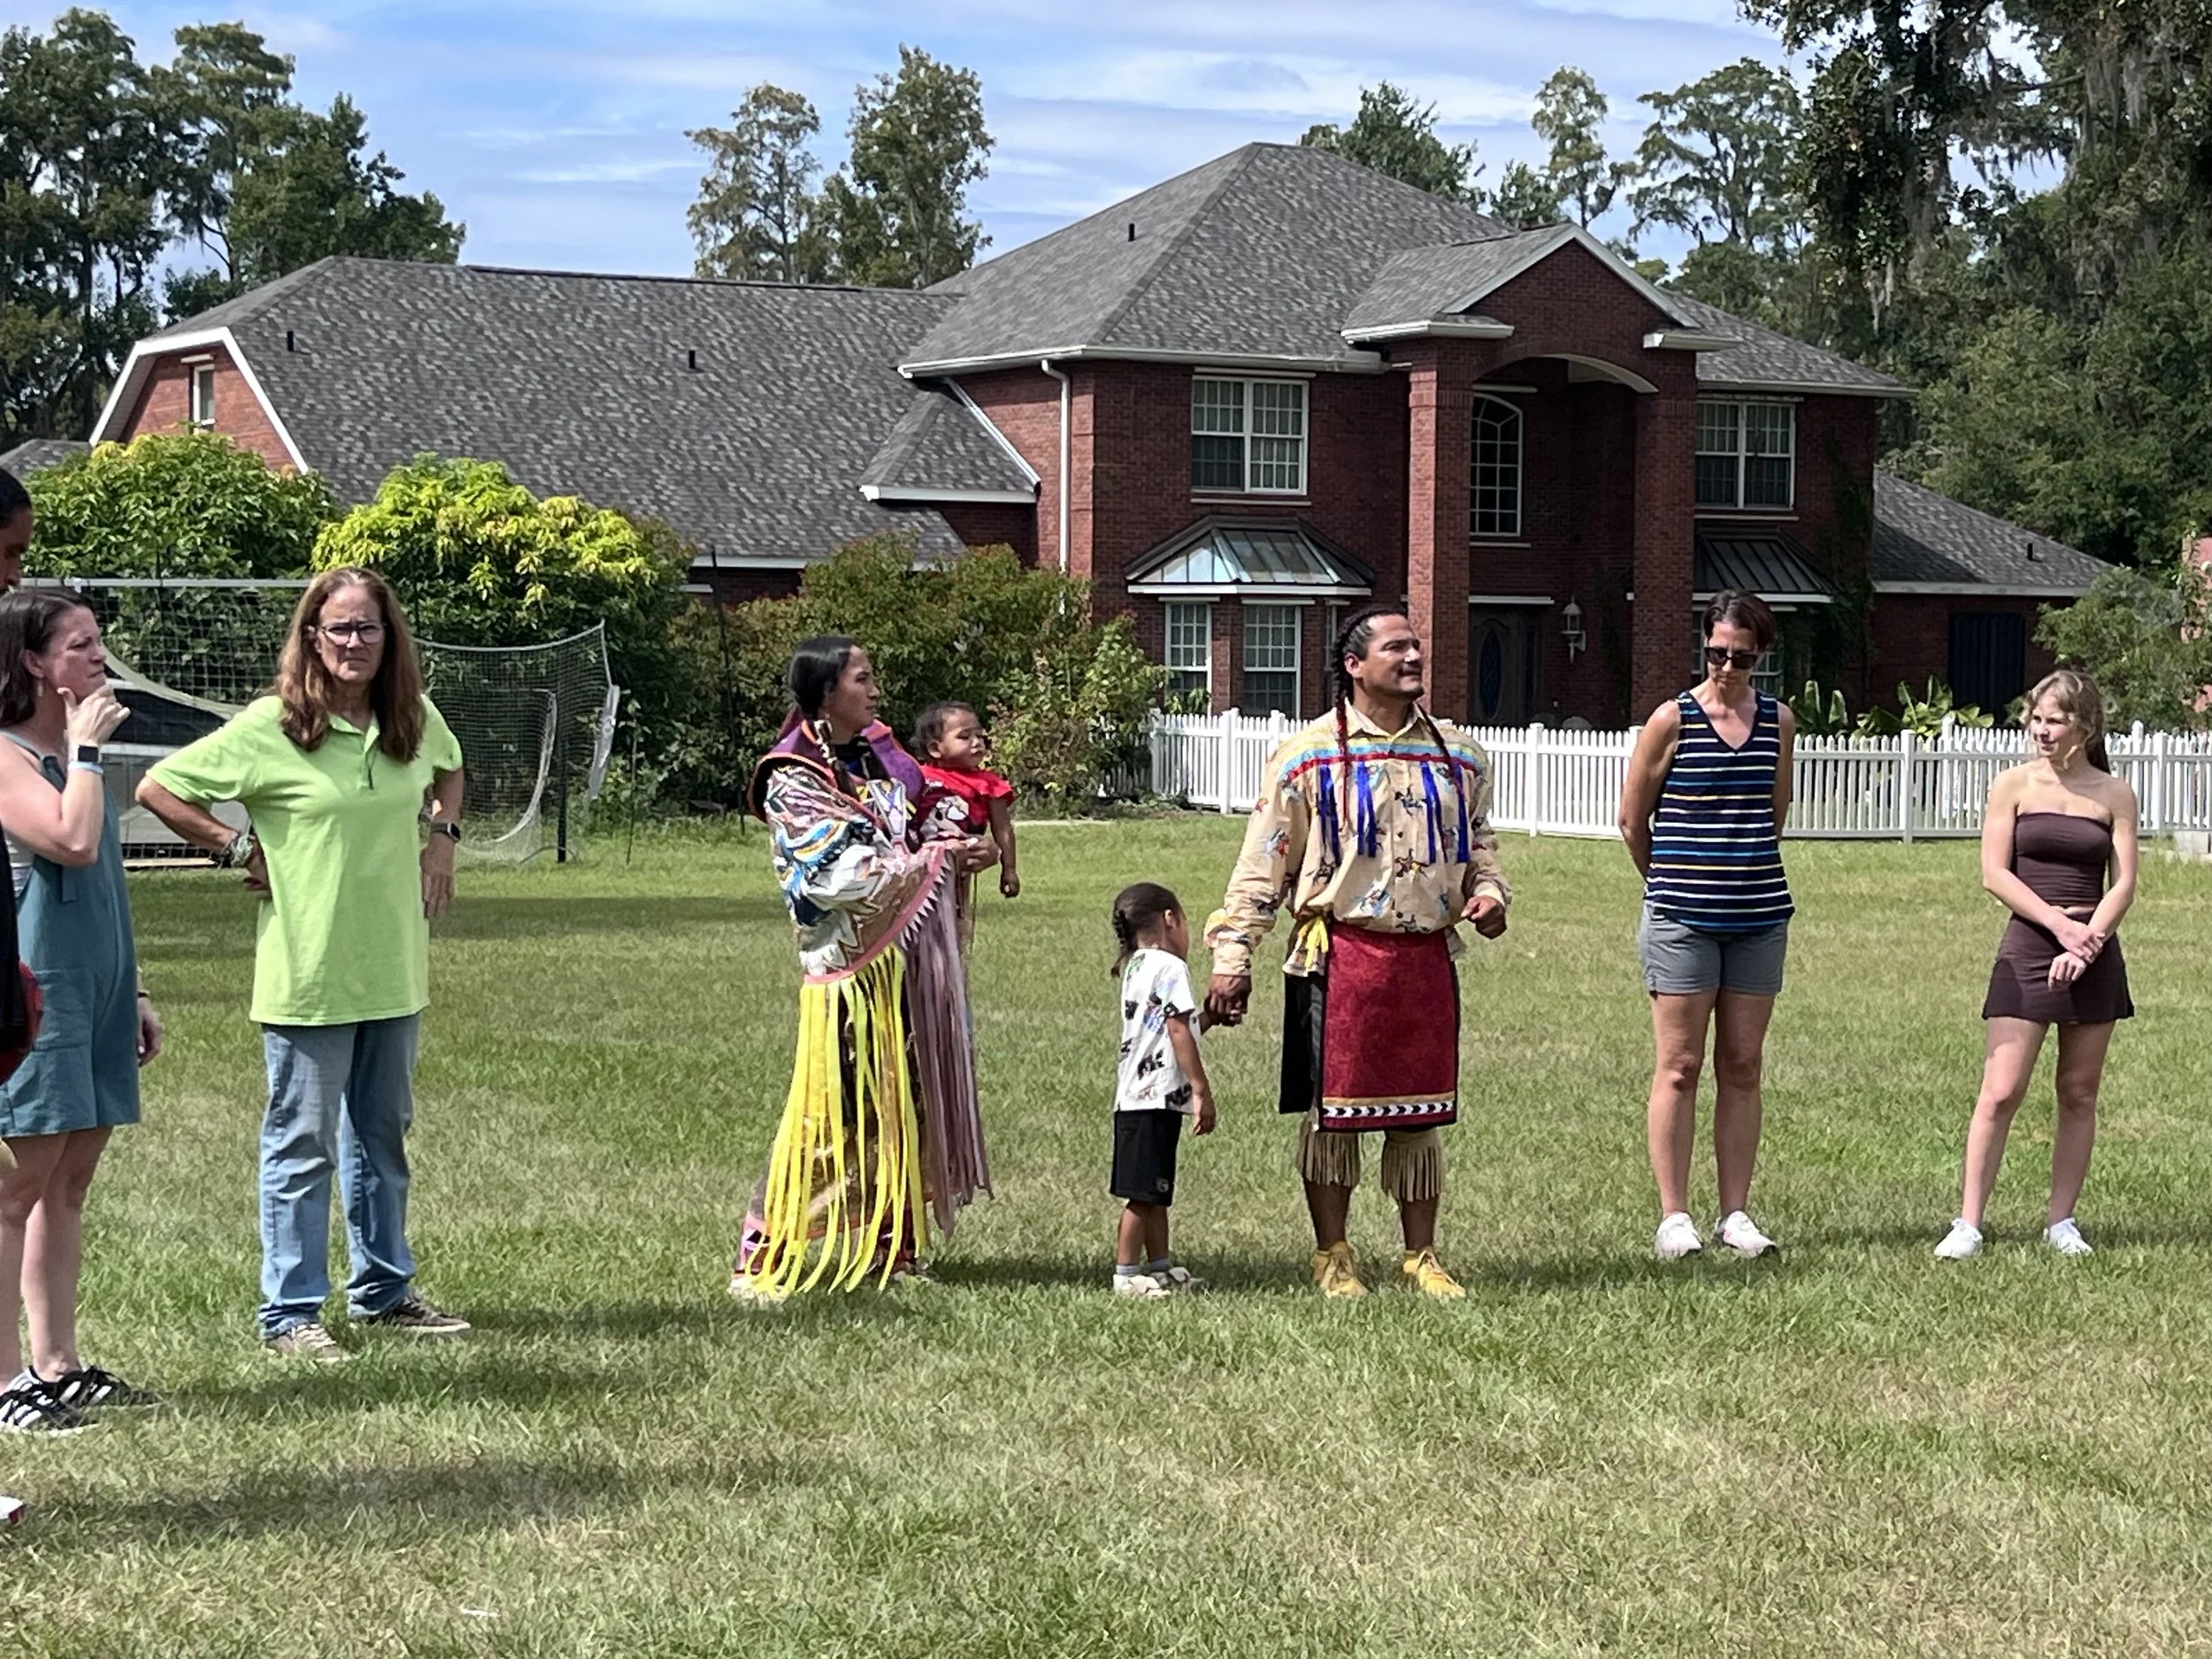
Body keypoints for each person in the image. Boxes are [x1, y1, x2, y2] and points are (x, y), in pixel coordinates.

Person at [135, 567, 468, 1360]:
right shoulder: (271, 726)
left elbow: (450, 770)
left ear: (392, 641)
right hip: (307, 975)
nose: (355, 643)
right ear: (311, 638)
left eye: (369, 629)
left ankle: (385, 1291)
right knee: (302, 1143)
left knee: (383, 1136)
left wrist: (442, 841)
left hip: (392, 968)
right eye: (339, 629)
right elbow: (159, 787)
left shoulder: (412, 718)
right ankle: (289, 1312)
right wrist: (235, 847)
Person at [1203, 605, 1509, 1301]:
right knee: (1333, 1116)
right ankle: (1332, 1253)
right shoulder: (1307, 755)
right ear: (1354, 664)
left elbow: (1480, 842)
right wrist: (1233, 953)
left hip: (1423, 955)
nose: (1413, 656)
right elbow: (1265, 860)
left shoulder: (1457, 755)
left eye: (1417, 645)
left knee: (1419, 1116)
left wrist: (1489, 891)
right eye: (1397, 646)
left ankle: (1420, 1254)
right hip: (1339, 956)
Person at [731, 638, 995, 1300]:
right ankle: (765, 1252)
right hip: (851, 969)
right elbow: (834, 876)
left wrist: (954, 844)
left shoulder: (882, 756)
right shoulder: (793, 775)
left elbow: (911, 830)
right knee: (835, 1109)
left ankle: (891, 1247)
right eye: (862, 678)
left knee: (906, 1099)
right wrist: (937, 862)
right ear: (826, 693)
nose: (876, 690)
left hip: (909, 963)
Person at [0, 593, 164, 1432]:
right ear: (33, 662)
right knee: (16, 1186)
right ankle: (5, 1385)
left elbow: (109, 879)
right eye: (80, 644)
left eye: (99, 641)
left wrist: (133, 989)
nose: (100, 656)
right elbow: (71, 842)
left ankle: (56, 1363)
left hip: (98, 985)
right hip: (37, 993)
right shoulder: (9, 758)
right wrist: (89, 749)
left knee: (71, 1180)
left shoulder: (79, 759)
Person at [1617, 589, 1795, 1262]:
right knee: (1681, 1065)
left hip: (1758, 914)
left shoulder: (1778, 721)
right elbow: (1634, 821)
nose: (1726, 666)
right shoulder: (1673, 719)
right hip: (1681, 916)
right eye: (1716, 652)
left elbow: (1776, 810)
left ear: (1761, 656)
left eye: (1740, 657)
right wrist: (1666, 884)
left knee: (1743, 1064)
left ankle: (1736, 1214)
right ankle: (1674, 1217)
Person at [1935, 670, 2138, 1261]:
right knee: (2000, 1090)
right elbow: (1994, 872)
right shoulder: (2013, 785)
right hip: (2029, 944)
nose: (2041, 730)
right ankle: (1969, 1222)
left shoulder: (2113, 793)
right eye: (2035, 718)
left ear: (2085, 726)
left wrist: (2088, 941)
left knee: (2078, 1091)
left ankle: (2061, 1220)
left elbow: (2123, 883)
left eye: (2054, 719)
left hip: (2093, 952)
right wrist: (2059, 928)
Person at [1108, 882, 1215, 1299]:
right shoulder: (1170, 967)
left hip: (1139, 1095)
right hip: (1153, 1097)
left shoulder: (1136, 965)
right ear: (1170, 919)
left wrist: (1209, 1020)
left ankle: (1160, 1266)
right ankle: (1126, 1273)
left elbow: (1171, 1031)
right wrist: (1200, 1089)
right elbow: (1175, 1029)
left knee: (1157, 1190)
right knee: (1140, 1196)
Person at [913, 701, 1019, 953]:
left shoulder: (989, 784)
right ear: (935, 749)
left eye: (980, 736)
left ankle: (952, 958)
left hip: (963, 861)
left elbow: (1002, 828)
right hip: (919, 862)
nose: (976, 742)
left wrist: (1010, 869)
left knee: (957, 910)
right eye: (964, 736)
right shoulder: (918, 777)